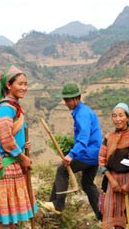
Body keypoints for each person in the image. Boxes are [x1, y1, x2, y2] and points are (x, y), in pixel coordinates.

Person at [0, 64, 37, 229]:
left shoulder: (14, 107)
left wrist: (23, 146)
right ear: (8, 85)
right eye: (20, 84)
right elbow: (6, 140)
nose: (24, 88)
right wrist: (22, 157)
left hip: (13, 158)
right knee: (5, 203)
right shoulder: (6, 108)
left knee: (12, 201)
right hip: (5, 162)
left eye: (26, 84)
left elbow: (12, 135)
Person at [41, 83, 103, 220]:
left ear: (77, 98)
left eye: (68, 100)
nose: (66, 103)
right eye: (65, 100)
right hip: (94, 155)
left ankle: (57, 204)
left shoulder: (82, 114)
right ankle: (102, 214)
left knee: (62, 170)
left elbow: (84, 137)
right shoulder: (83, 111)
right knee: (87, 184)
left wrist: (71, 155)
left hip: (87, 154)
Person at [98, 103, 129, 229]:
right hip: (113, 181)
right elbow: (102, 160)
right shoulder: (108, 137)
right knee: (116, 215)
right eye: (114, 116)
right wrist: (112, 181)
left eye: (121, 115)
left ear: (127, 117)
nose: (117, 119)